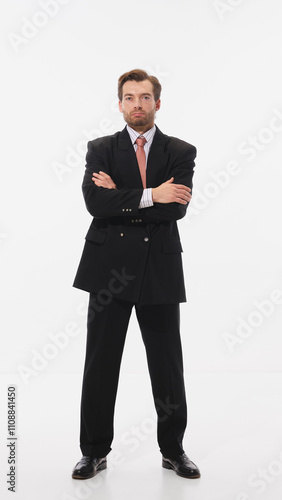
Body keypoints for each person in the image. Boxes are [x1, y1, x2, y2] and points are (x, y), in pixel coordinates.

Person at [71, 69, 200, 480]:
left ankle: (173, 450)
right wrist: (151, 193)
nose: (137, 105)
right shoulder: (101, 148)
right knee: (100, 363)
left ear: (157, 103)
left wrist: (123, 196)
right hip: (108, 270)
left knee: (167, 364)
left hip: (159, 267)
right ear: (120, 103)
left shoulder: (180, 151)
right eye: (129, 98)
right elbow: (95, 202)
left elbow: (174, 208)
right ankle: (93, 451)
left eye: (145, 98)